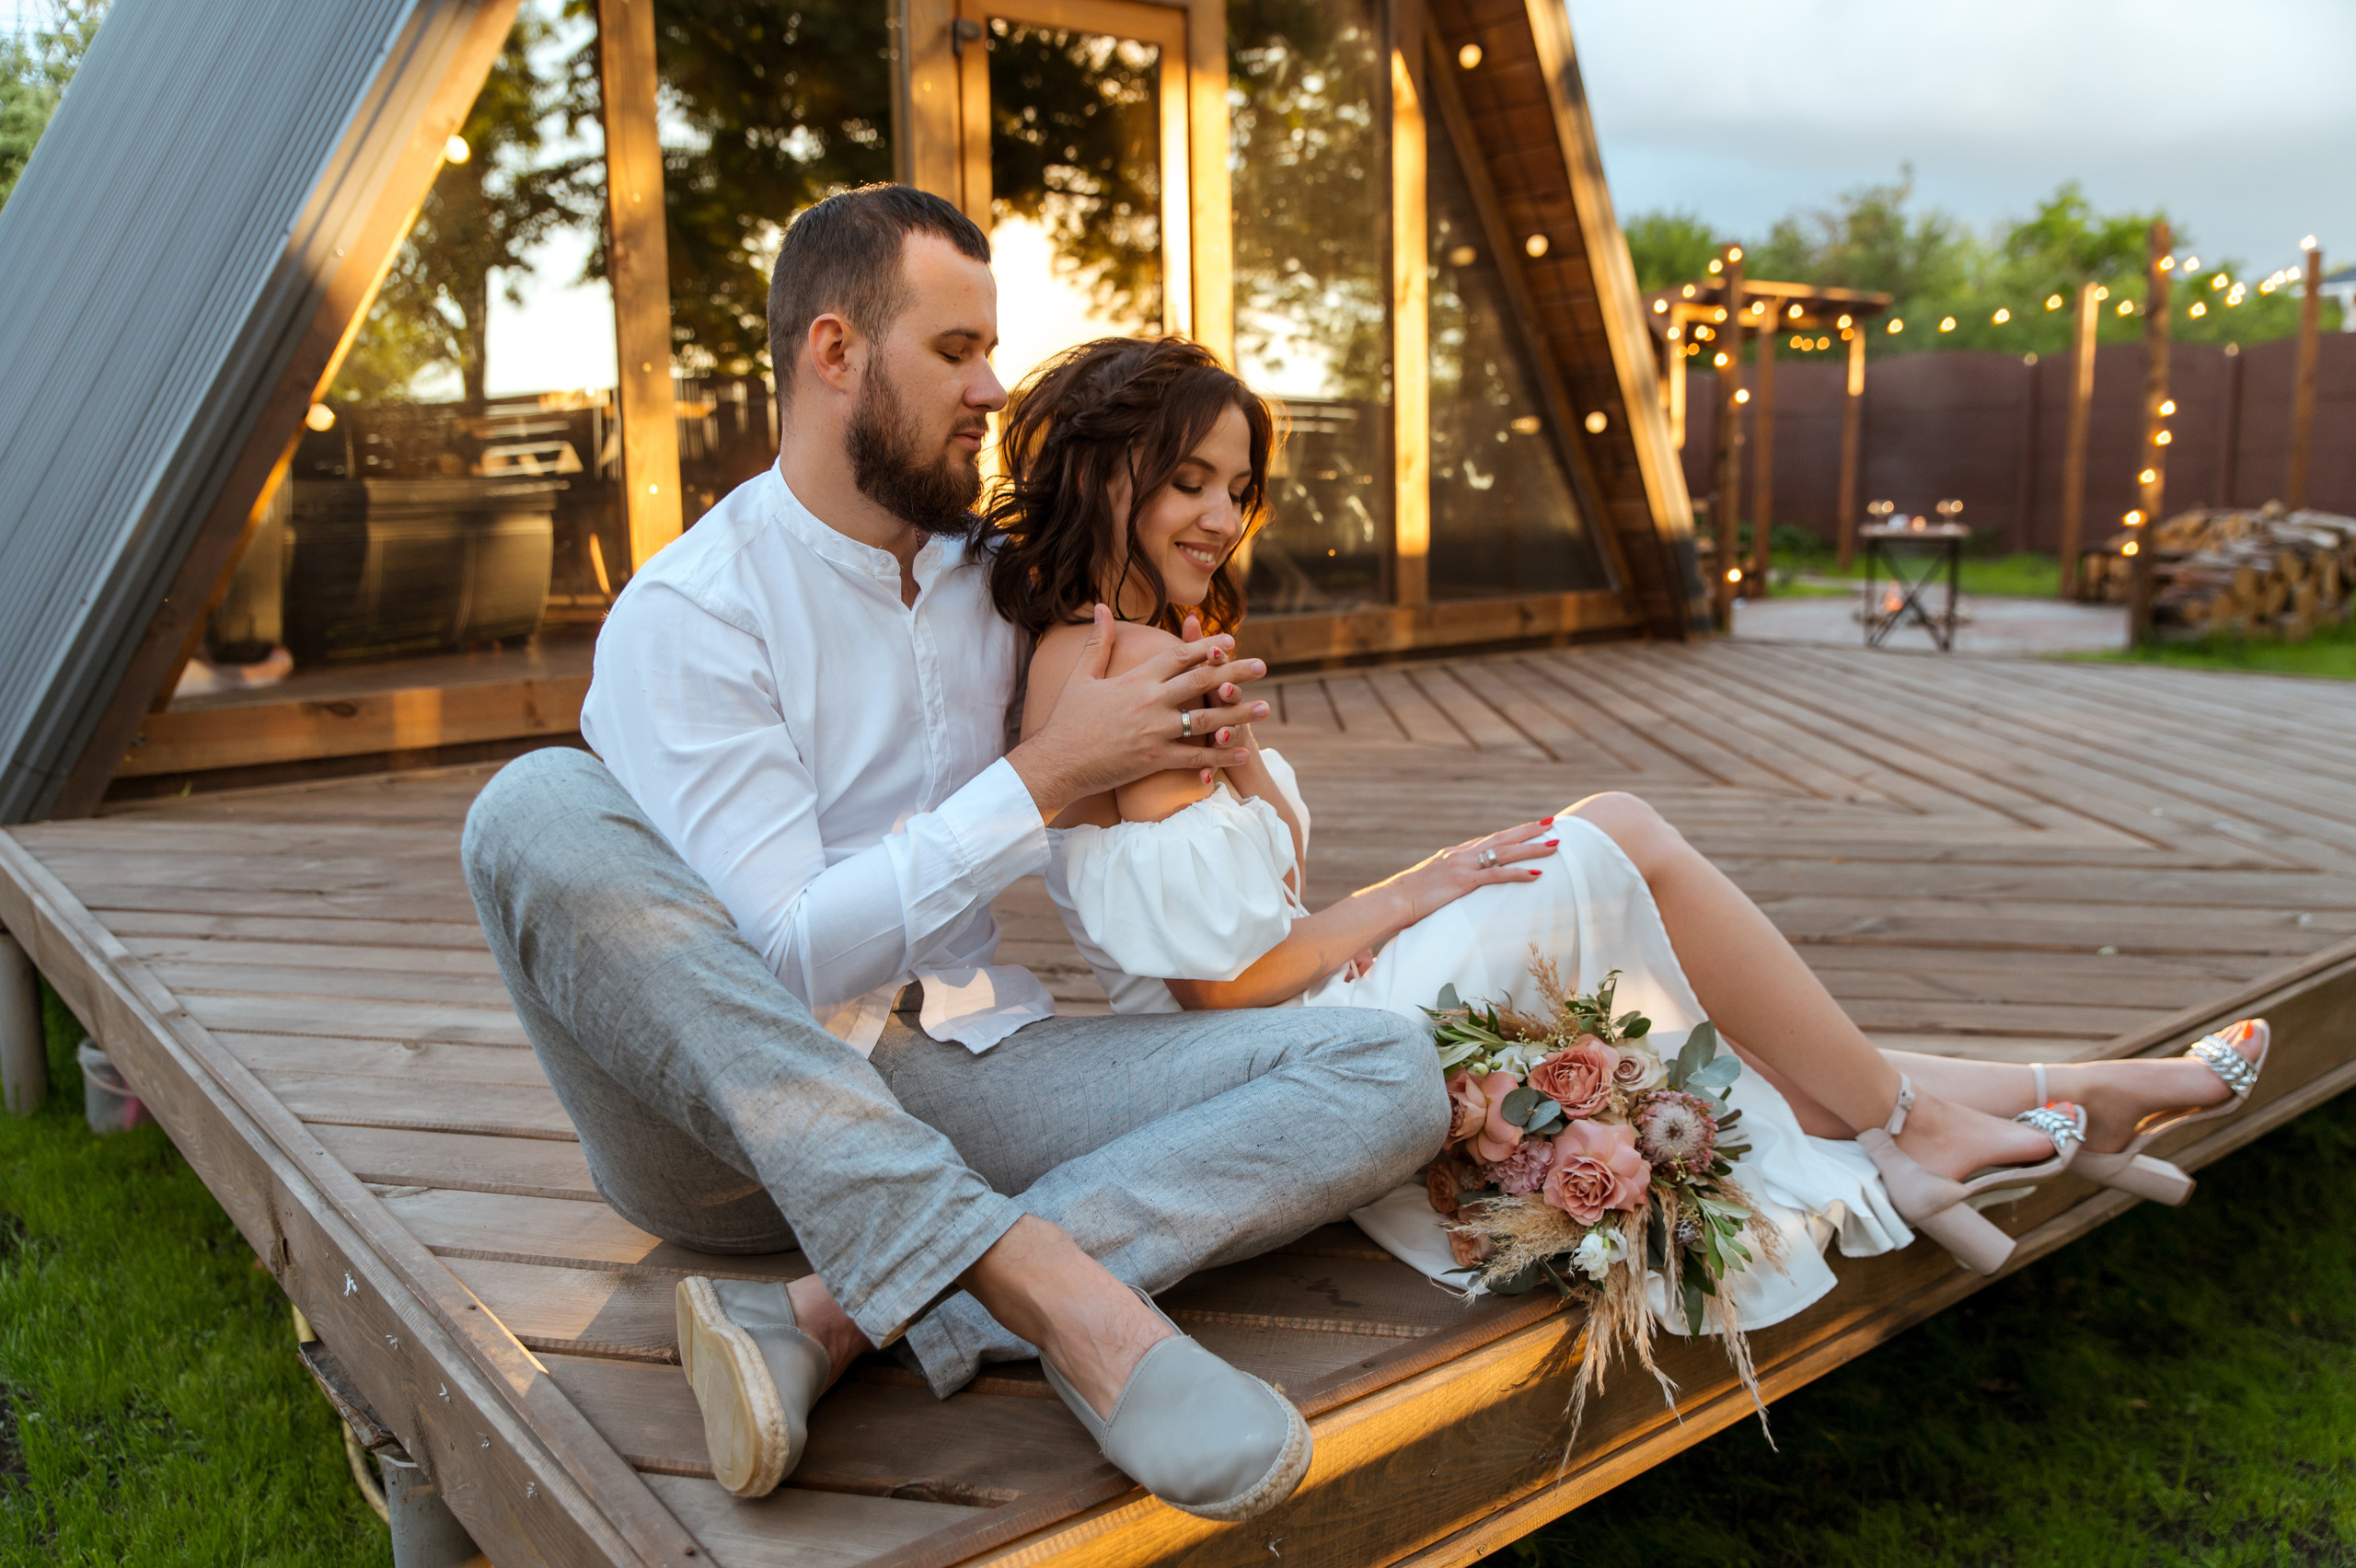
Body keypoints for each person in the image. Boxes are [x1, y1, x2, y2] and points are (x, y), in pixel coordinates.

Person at [462, 187, 1449, 1522]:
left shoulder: (1003, 586)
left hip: (977, 1063)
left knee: (1387, 1071)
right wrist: (1042, 781)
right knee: (529, 807)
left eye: (993, 351)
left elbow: (1136, 868)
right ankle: (1069, 1307)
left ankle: (833, 1317)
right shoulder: (696, 612)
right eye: (954, 352)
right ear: (835, 355)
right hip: (729, 1123)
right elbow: (782, 963)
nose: (992, 388)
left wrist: (1203, 784)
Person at [988, 333, 2272, 1323]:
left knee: (1663, 946)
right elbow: (1215, 990)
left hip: (1320, 997)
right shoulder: (1096, 665)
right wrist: (1424, 886)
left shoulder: (1159, 650)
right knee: (1614, 835)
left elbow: (1254, 906)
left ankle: (2058, 1094)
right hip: (1274, 1065)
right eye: (1189, 482)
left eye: (1238, 487)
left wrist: (1272, 788)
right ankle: (1962, 1112)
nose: (1221, 516)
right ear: (1108, 474)